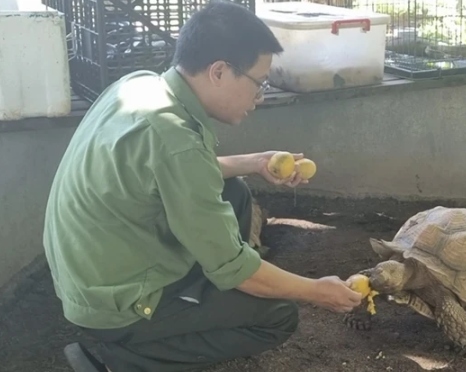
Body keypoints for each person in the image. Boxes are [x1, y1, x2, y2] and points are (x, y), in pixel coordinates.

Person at [43, 1, 362, 371]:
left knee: (235, 192)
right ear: (219, 72)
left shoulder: (140, 86)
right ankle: (117, 360)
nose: (258, 99)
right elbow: (234, 265)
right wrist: (317, 291)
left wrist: (255, 162)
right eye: (258, 83)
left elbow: (174, 173)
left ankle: (200, 301)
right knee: (277, 315)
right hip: (116, 304)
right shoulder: (176, 139)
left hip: (90, 274)